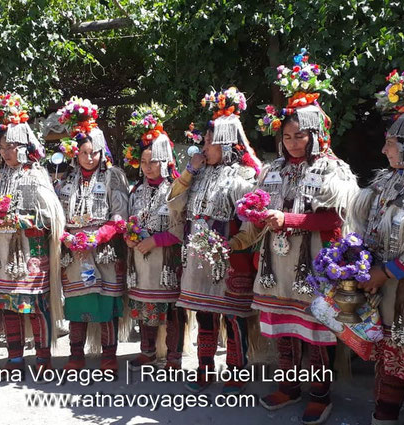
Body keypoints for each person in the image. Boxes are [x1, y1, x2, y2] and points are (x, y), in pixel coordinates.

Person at [233, 50, 358, 424]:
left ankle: (320, 393)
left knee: (314, 330)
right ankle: (289, 386)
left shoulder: (333, 169)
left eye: (299, 135)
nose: (292, 142)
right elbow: (260, 210)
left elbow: (334, 219)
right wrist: (252, 218)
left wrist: (286, 217)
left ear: (316, 133)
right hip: (277, 263)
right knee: (283, 327)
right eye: (286, 136)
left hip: (314, 264)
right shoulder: (272, 170)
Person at [168, 86, 261, 393]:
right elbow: (175, 205)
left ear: (226, 144)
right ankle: (205, 366)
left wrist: (233, 244)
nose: (203, 146)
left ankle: (236, 370)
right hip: (197, 257)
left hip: (230, 257)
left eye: (210, 142)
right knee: (204, 314)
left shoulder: (242, 178)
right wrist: (188, 173)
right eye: (204, 141)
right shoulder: (199, 174)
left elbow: (252, 224)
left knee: (233, 318)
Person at [348, 66, 404, 425]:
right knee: (389, 359)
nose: (383, 149)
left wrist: (385, 272)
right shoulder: (387, 183)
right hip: (387, 295)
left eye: (391, 142)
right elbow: (365, 225)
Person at [0, 93, 65, 374]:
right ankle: (15, 356)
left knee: (35, 306)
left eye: (11, 146)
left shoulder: (36, 175)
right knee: (7, 307)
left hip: (30, 253)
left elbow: (51, 216)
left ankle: (43, 358)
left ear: (25, 147)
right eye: (2, 147)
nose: (5, 152)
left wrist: (21, 220)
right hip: (2, 255)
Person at [56, 97, 128, 372]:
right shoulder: (65, 181)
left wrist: (99, 236)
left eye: (95, 153)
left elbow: (120, 217)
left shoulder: (113, 178)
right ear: (76, 153)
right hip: (73, 253)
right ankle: (76, 356)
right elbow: (57, 217)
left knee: (106, 305)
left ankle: (109, 357)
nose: (90, 158)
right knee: (76, 305)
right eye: (85, 153)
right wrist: (66, 238)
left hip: (104, 251)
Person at [123, 103, 186, 370]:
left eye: (154, 162)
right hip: (141, 259)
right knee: (143, 304)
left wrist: (156, 240)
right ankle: (147, 351)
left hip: (166, 260)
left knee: (171, 309)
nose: (148, 167)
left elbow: (182, 228)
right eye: (144, 162)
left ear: (166, 161)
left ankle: (173, 356)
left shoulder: (175, 190)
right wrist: (130, 238)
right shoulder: (135, 190)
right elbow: (129, 222)